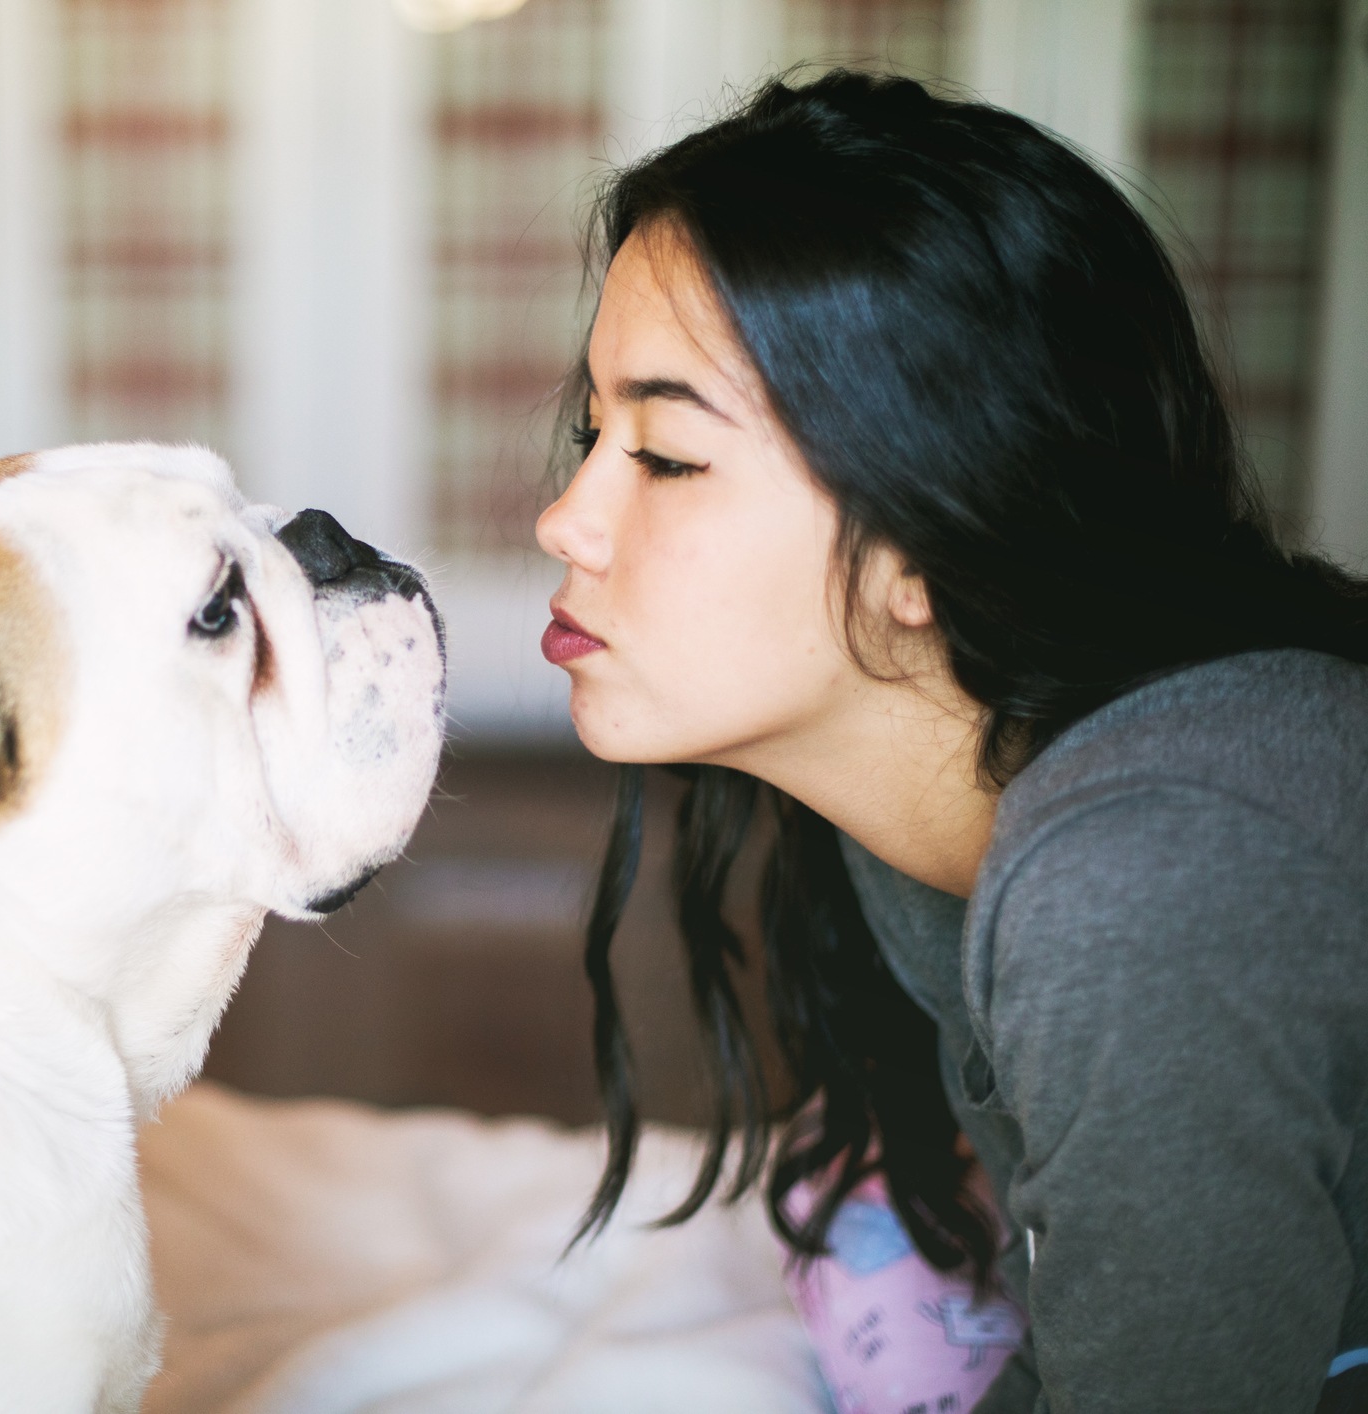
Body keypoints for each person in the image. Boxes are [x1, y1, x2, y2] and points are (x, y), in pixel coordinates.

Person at [535, 69, 1368, 1413]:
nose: (562, 522)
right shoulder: (920, 840)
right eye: (591, 433)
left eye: (665, 454)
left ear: (928, 532)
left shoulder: (1146, 875)